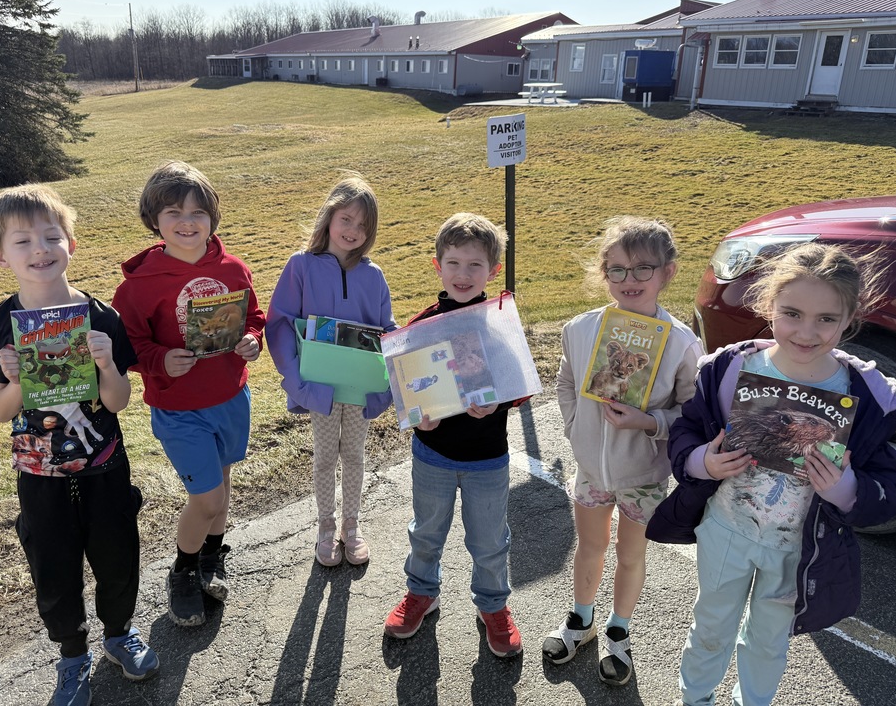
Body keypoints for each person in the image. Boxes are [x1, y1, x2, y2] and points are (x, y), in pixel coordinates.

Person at [647, 242, 896, 706]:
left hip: (799, 548)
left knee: (769, 640)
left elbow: (889, 489)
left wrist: (846, 488)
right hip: (726, 530)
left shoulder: (867, 396)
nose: (807, 332)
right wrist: (701, 463)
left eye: (826, 319)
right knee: (712, 625)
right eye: (791, 313)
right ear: (768, 306)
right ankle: (695, 698)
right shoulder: (730, 368)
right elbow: (687, 429)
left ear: (850, 319)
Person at [0, 185, 158, 706]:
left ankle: (118, 634)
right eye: (22, 241)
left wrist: (108, 365)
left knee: (117, 555)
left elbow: (119, 402)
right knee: (52, 563)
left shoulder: (99, 318)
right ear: (0, 255)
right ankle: (72, 655)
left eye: (51, 236)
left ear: (71, 242)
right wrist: (21, 379)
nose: (40, 249)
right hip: (39, 473)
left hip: (104, 463)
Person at [542, 216, 702, 685]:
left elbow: (694, 413)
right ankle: (582, 619)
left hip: (644, 476)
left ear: (668, 272)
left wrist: (649, 422)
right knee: (590, 547)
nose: (628, 281)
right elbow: (567, 381)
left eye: (642, 270)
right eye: (616, 270)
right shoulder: (581, 328)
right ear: (603, 272)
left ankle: (619, 630)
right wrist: (575, 429)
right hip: (591, 469)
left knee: (631, 556)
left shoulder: (681, 343)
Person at [112, 161, 266, 628]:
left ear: (212, 218)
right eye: (174, 211)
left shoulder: (233, 268)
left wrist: (252, 340)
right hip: (179, 407)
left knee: (221, 486)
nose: (187, 221)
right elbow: (128, 346)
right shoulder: (138, 286)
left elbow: (254, 316)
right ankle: (182, 570)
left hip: (230, 397)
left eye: (199, 212)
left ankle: (211, 557)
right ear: (154, 219)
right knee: (206, 499)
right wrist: (159, 359)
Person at [383, 212, 525, 658]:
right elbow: (406, 391)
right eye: (454, 263)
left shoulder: (499, 321)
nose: (463, 274)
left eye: (475, 265)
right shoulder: (422, 325)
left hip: (488, 457)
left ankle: (493, 606)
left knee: (489, 541)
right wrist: (418, 417)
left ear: (493, 270)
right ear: (437, 266)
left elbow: (518, 386)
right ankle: (422, 591)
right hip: (433, 454)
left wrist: (498, 403)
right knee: (426, 532)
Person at [266, 174, 396, 566]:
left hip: (357, 391)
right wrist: (297, 382)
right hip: (319, 388)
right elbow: (280, 324)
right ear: (329, 218)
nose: (353, 231)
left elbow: (386, 330)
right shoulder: (300, 266)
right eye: (346, 220)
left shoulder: (373, 276)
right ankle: (325, 527)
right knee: (324, 457)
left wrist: (388, 383)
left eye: (362, 225)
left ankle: (351, 527)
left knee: (354, 456)